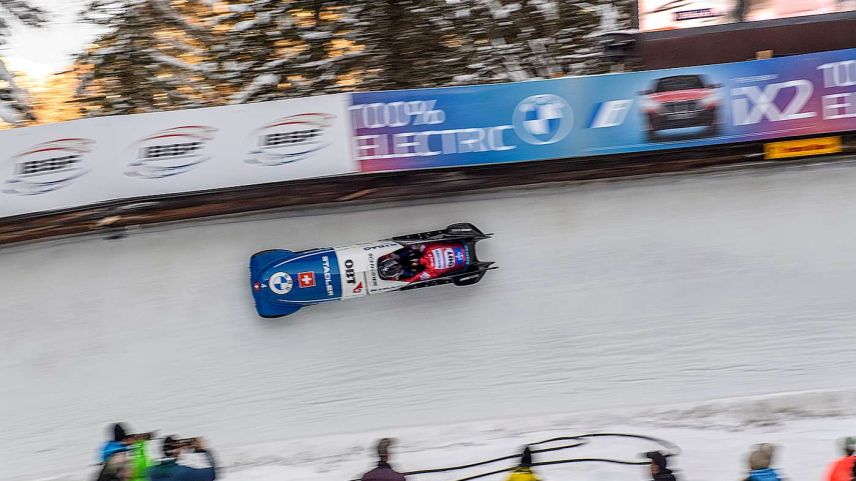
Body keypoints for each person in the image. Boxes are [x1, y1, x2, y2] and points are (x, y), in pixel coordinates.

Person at [147, 436, 216, 481]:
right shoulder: (183, 472)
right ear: (177, 451)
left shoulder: (152, 471)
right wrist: (201, 450)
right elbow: (211, 475)